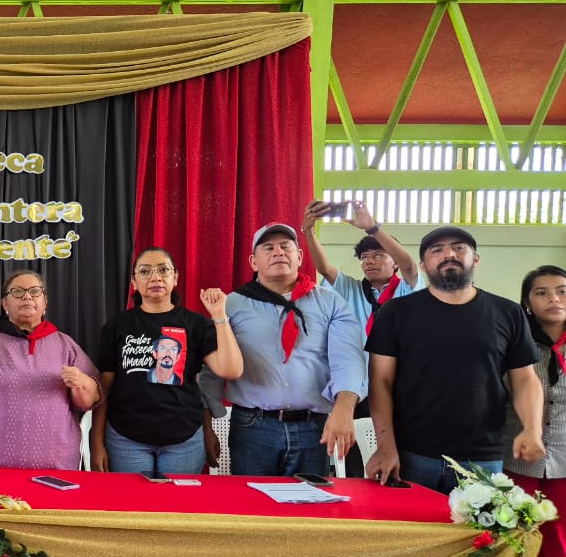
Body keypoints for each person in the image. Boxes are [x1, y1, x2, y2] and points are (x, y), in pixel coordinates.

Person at [364, 226, 544, 492]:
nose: (449, 254)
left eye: (459, 248)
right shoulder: (397, 313)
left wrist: (531, 429)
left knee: (477, 534)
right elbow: (380, 382)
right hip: (411, 455)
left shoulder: (508, 313)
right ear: (424, 266)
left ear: (476, 259)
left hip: (482, 457)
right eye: (437, 250)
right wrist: (386, 446)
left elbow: (525, 379)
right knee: (410, 532)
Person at [213, 222, 364, 477]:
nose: (278, 252)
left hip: (313, 428)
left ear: (299, 256)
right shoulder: (231, 304)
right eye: (269, 248)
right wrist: (208, 423)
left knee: (310, 511)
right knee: (252, 509)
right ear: (253, 262)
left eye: (286, 247)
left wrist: (345, 407)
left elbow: (349, 358)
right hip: (253, 428)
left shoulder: (329, 302)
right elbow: (213, 367)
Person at [300, 198, 424, 477]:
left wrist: (372, 229)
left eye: (379, 255)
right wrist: (308, 231)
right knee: (350, 453)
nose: (370, 262)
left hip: (398, 384)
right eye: (365, 257)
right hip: (356, 386)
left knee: (398, 449)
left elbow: (410, 265)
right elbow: (325, 269)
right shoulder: (352, 289)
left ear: (393, 262)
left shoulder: (407, 288)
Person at [92, 248, 243, 476]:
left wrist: (219, 315)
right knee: (132, 509)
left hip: (184, 440)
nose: (156, 277)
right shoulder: (116, 327)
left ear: (175, 278)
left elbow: (231, 369)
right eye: (145, 271)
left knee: (178, 509)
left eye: (164, 270)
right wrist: (96, 443)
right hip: (126, 439)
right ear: (134, 281)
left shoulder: (196, 324)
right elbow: (103, 390)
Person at [0, 270, 99, 470]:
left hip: (58, 469)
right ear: (5, 304)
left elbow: (90, 401)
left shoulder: (65, 345)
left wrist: (81, 382)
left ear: (45, 302)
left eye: (35, 291)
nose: (27, 296)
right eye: (18, 292)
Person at [504, 265, 566, 557]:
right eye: (541, 293)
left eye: (561, 291)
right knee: (519, 550)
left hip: (564, 464)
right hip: (519, 462)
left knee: (559, 556)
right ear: (528, 301)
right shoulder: (516, 344)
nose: (553, 300)